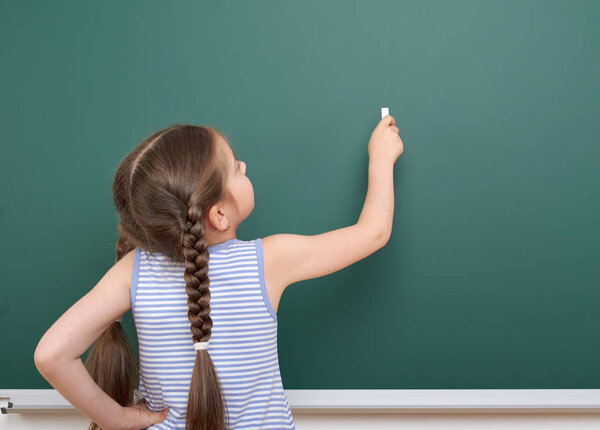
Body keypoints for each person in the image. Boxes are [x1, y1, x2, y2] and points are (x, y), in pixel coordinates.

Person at [33, 115, 403, 430]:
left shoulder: (135, 269)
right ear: (219, 216)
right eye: (233, 166)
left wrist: (115, 418)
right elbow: (373, 233)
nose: (242, 166)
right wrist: (381, 158)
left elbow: (51, 355)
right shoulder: (271, 260)